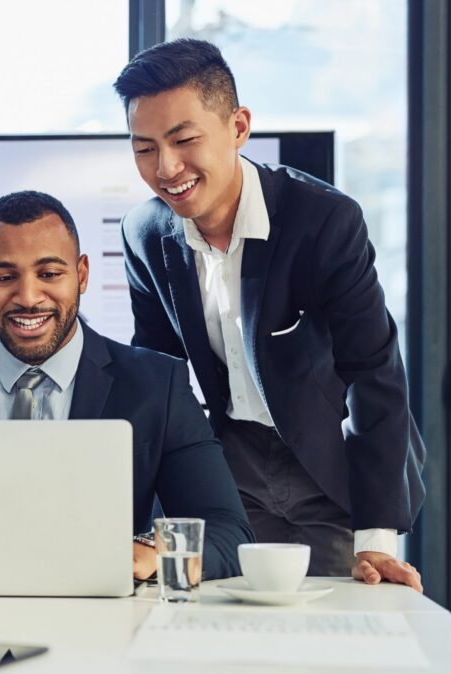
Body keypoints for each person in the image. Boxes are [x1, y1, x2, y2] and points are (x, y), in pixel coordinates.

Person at [114, 38, 425, 588]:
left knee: (336, 634)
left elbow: (373, 374)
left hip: (331, 464)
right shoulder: (144, 233)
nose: (166, 168)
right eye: (144, 148)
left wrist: (376, 538)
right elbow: (157, 379)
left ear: (238, 127)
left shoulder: (325, 222)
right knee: (215, 631)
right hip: (229, 466)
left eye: (184, 140)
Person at [0, 190, 253, 581]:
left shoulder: (156, 384)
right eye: (4, 277)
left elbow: (228, 534)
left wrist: (152, 555)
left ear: (81, 275)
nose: (28, 297)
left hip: (104, 623)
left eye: (49, 274)